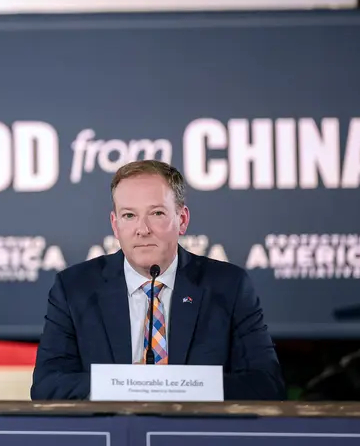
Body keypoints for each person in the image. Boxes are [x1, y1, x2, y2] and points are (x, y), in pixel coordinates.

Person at [31, 159, 285, 401]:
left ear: (182, 220)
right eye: (129, 215)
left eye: (156, 213)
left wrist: (179, 387)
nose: (143, 229)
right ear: (115, 225)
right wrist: (127, 386)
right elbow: (47, 385)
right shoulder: (75, 288)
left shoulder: (228, 287)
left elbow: (266, 384)